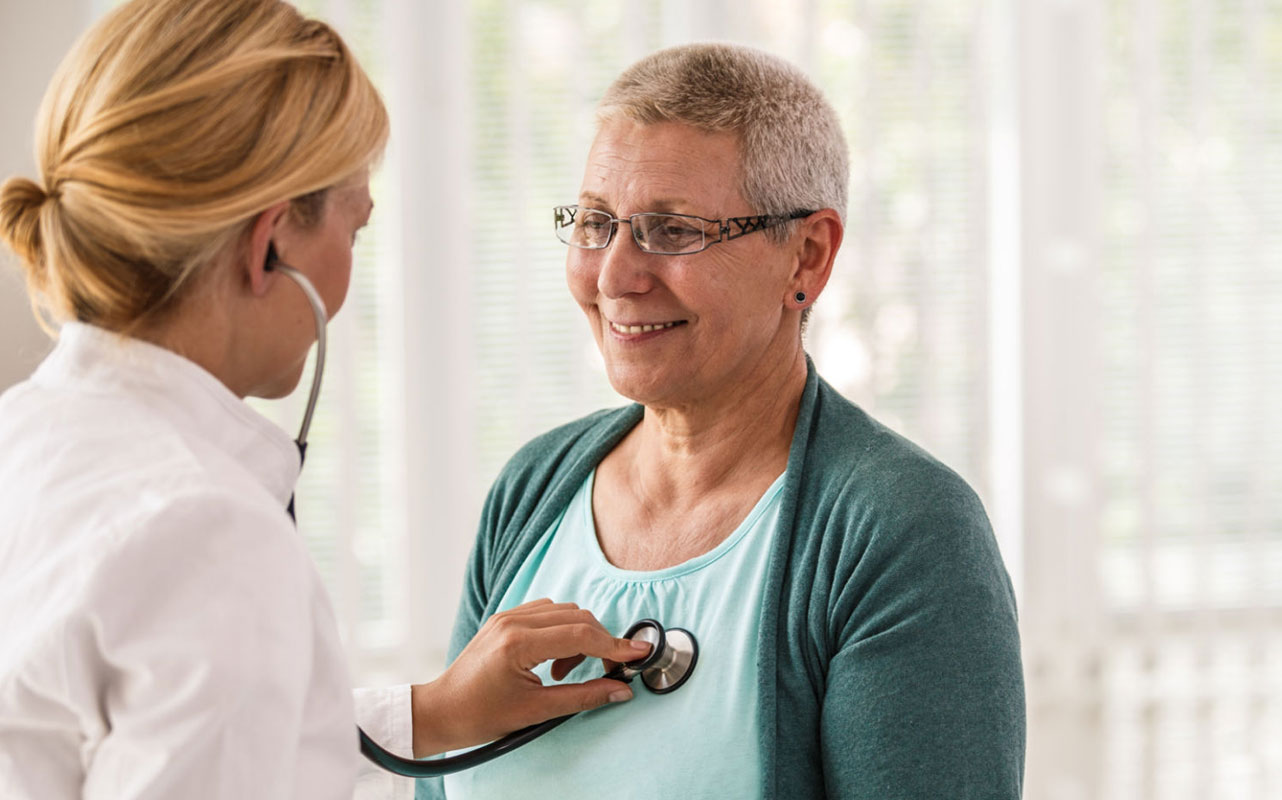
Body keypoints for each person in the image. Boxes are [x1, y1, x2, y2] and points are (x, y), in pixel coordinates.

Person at [0, 2, 650, 796]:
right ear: (271, 244)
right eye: (355, 229)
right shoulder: (206, 533)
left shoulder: (24, 439)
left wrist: (434, 712)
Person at [393, 43, 1026, 799]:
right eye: (595, 222)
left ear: (808, 257)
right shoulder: (534, 489)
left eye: (673, 231)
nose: (616, 276)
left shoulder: (901, 532)